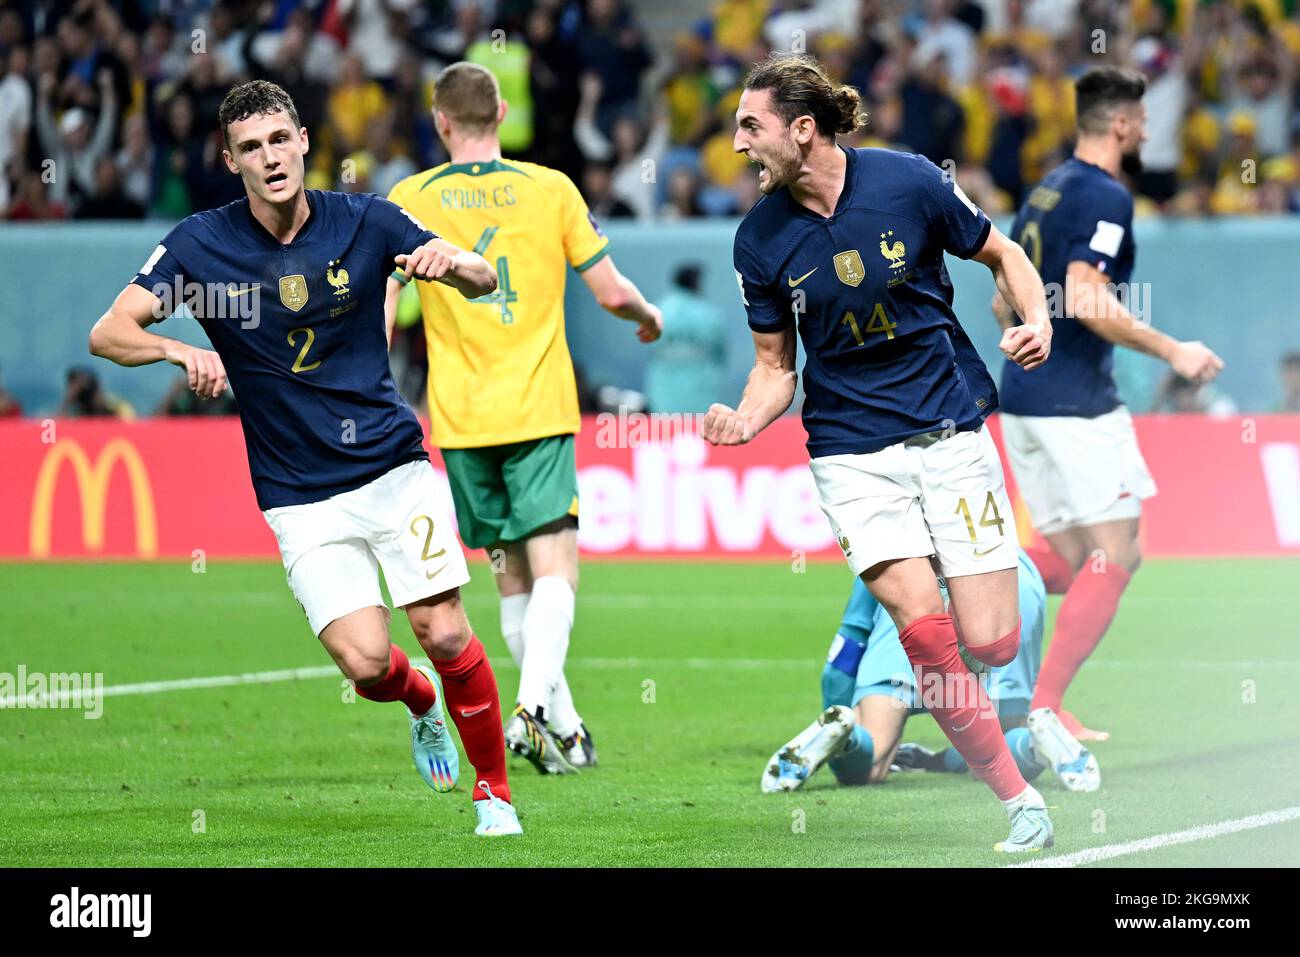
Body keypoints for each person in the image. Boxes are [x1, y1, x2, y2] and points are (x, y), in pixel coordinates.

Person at [87, 80, 522, 837]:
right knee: (365, 664)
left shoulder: (367, 220)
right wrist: (174, 348)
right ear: (231, 160)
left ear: (304, 142)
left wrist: (447, 264)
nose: (270, 157)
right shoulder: (200, 245)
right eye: (251, 147)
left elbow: (486, 278)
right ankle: (421, 704)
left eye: (279, 139)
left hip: (393, 468)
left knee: (445, 629)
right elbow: (108, 332)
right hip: (298, 494)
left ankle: (495, 795)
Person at [703, 52, 1056, 853]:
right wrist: (744, 419)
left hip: (949, 430)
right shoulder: (758, 240)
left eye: (750, 125)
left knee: (991, 639)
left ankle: (975, 715)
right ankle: (1019, 798)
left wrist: (1036, 318)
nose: (735, 144)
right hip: (852, 453)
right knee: (922, 632)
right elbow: (773, 370)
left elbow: (1003, 253)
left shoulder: (910, 182)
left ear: (802, 128)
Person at [385, 62, 662, 775]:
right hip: (537, 409)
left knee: (512, 583)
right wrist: (647, 315)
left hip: (462, 420)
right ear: (502, 112)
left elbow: (382, 314)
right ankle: (534, 710)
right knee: (555, 572)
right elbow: (609, 291)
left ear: (440, 119)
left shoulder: (409, 199)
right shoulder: (551, 188)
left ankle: (564, 731)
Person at [996, 66, 1225, 741]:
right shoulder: (1104, 195)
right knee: (1121, 553)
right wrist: (1173, 349)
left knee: (1073, 562)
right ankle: (1043, 706)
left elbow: (1002, 296)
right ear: (1121, 124)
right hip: (1078, 405)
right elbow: (1088, 296)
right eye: (1143, 119)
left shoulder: (1043, 191)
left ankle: (967, 587)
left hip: (1023, 398)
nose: (1149, 129)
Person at [761, 549, 1100, 794]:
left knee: (874, 757)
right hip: (1010, 578)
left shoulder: (882, 541)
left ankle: (847, 738)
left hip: (918, 599)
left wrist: (841, 706)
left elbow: (848, 646)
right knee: (992, 754)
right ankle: (1035, 743)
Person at [644, 264, 727, 414]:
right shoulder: (709, 315)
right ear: (696, 283)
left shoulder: (659, 311)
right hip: (701, 399)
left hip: (663, 399)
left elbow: (649, 347)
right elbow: (720, 354)